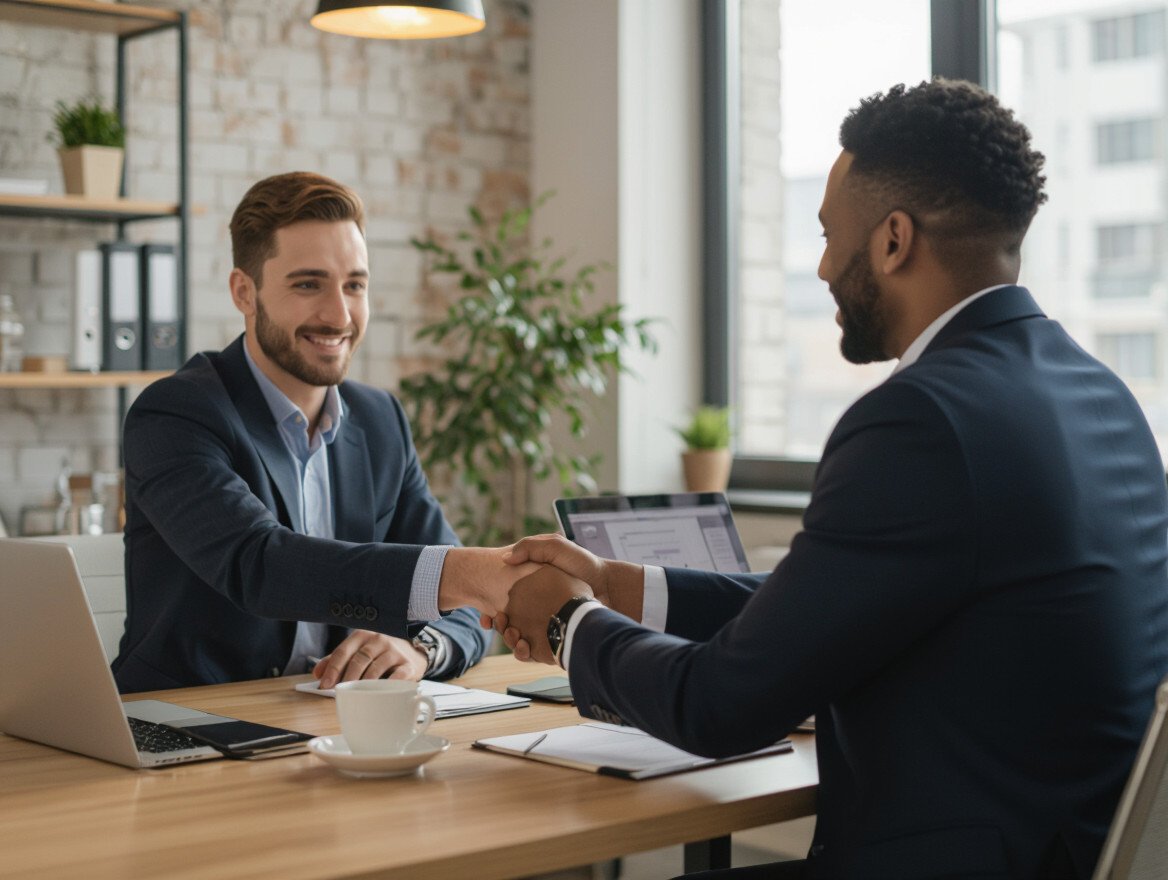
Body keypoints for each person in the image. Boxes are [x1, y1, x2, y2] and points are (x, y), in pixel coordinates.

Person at [497, 79, 1168, 879]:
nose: (819, 267)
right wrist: (619, 584)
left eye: (826, 235)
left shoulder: (920, 420)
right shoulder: (1100, 395)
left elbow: (717, 706)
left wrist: (572, 622)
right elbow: (827, 606)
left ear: (892, 241)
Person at [113, 171, 531, 694]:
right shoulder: (176, 414)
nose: (339, 314)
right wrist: (465, 573)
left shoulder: (381, 421)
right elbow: (260, 565)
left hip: (330, 722)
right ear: (245, 292)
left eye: (354, 285)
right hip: (188, 719)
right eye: (308, 284)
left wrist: (420, 648)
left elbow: (465, 612)